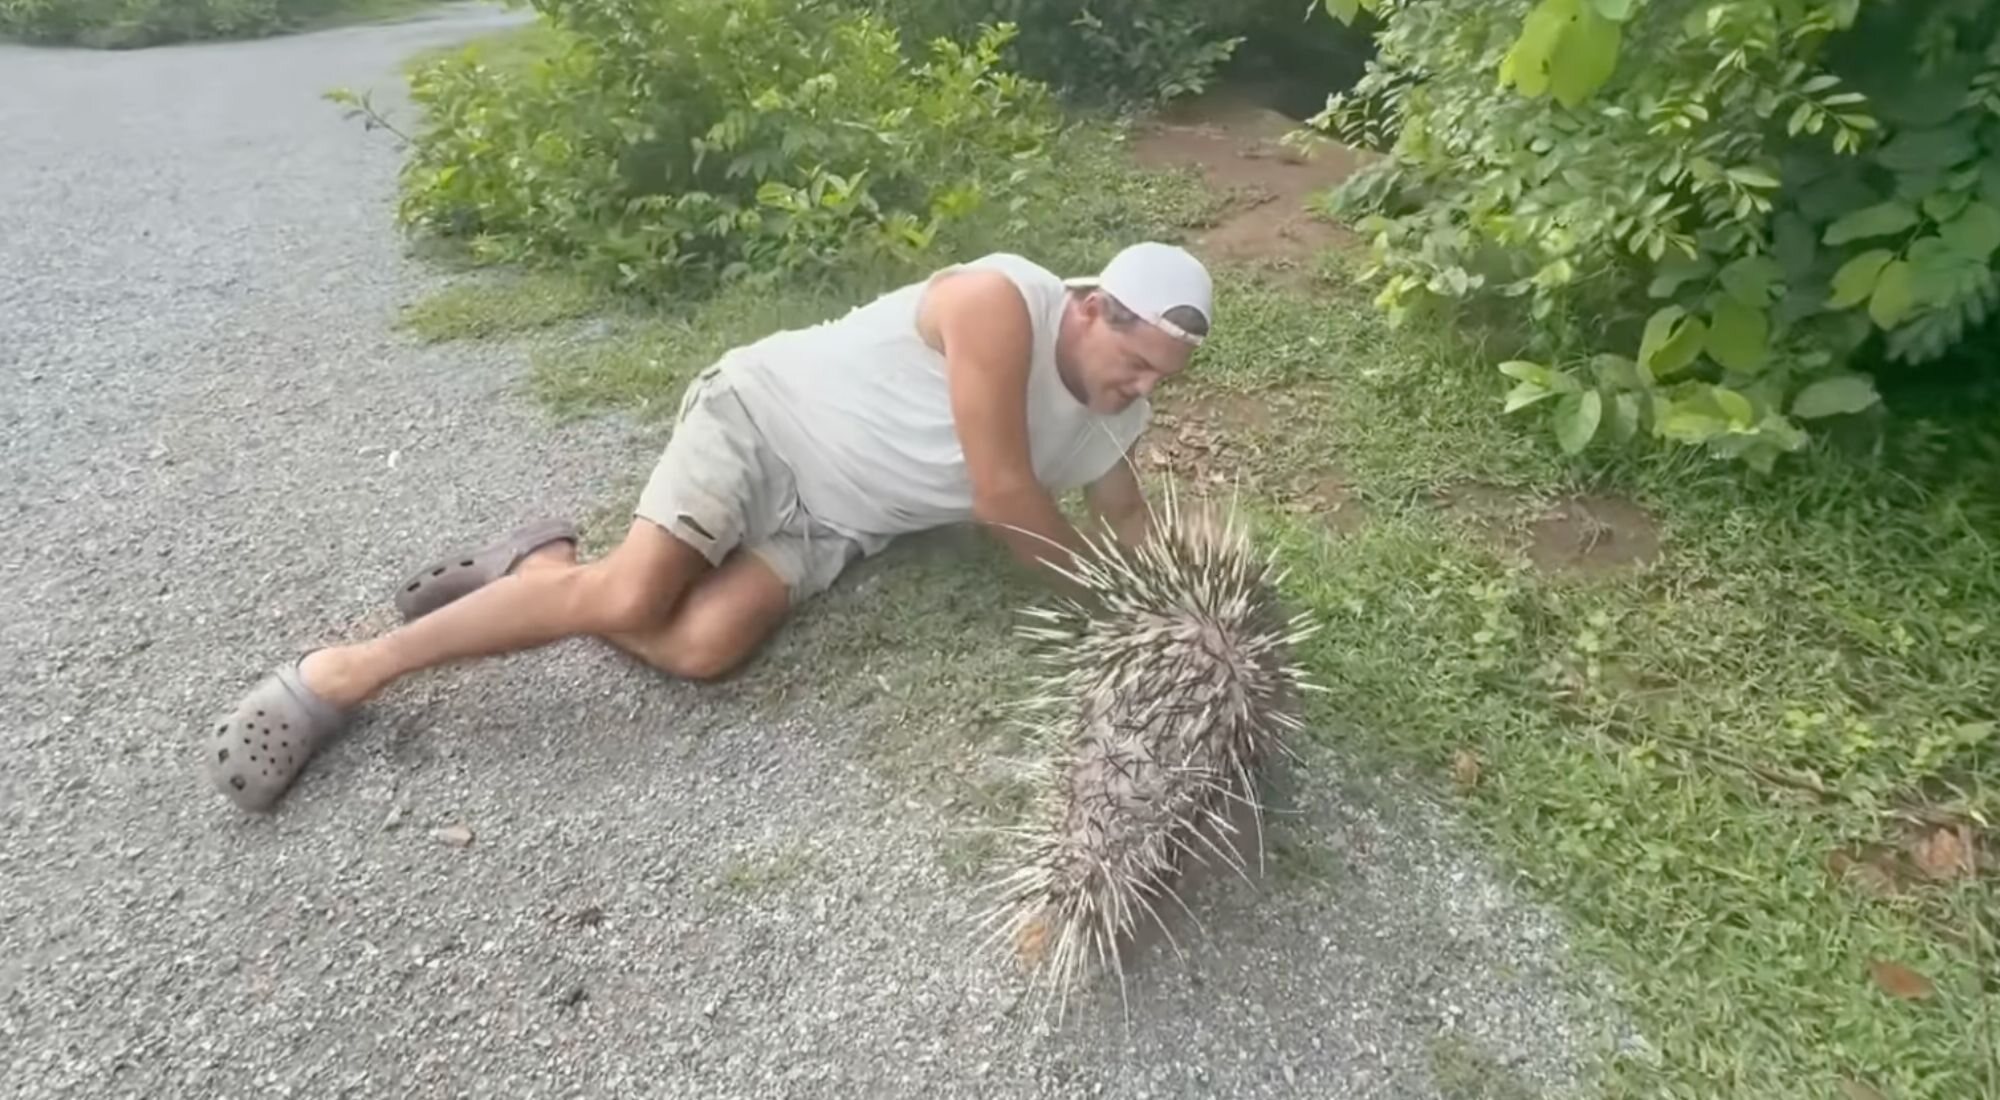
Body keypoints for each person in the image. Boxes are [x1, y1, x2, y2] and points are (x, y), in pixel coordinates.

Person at [203, 241, 1215, 812]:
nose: (1139, 390)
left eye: (1158, 381)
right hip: (766, 420)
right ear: (1092, 308)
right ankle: (342, 672)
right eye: (1134, 362)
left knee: (700, 645)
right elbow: (1003, 494)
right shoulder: (1002, 302)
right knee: (632, 594)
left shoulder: (1113, 417)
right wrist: (1114, 610)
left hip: (835, 522)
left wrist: (1184, 610)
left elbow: (1126, 515)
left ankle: (537, 566)